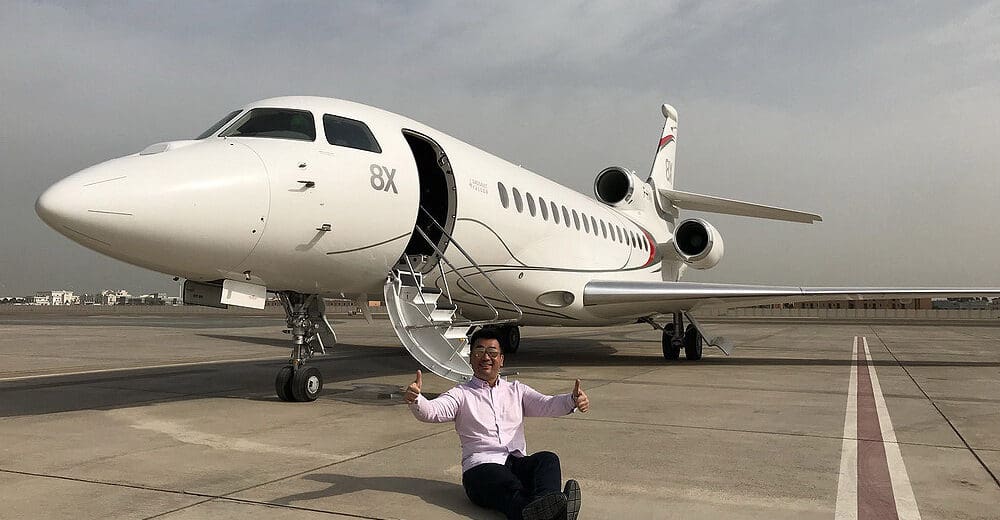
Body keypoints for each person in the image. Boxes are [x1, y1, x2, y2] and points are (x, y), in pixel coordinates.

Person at [405, 328, 590, 520]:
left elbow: (547, 404)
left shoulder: (516, 391)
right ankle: (553, 513)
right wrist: (416, 399)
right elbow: (433, 411)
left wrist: (572, 400)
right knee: (509, 486)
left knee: (548, 459)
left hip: (516, 463)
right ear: (471, 358)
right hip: (481, 470)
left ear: (501, 359)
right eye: (479, 351)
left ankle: (548, 503)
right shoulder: (461, 394)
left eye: (492, 352)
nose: (486, 357)